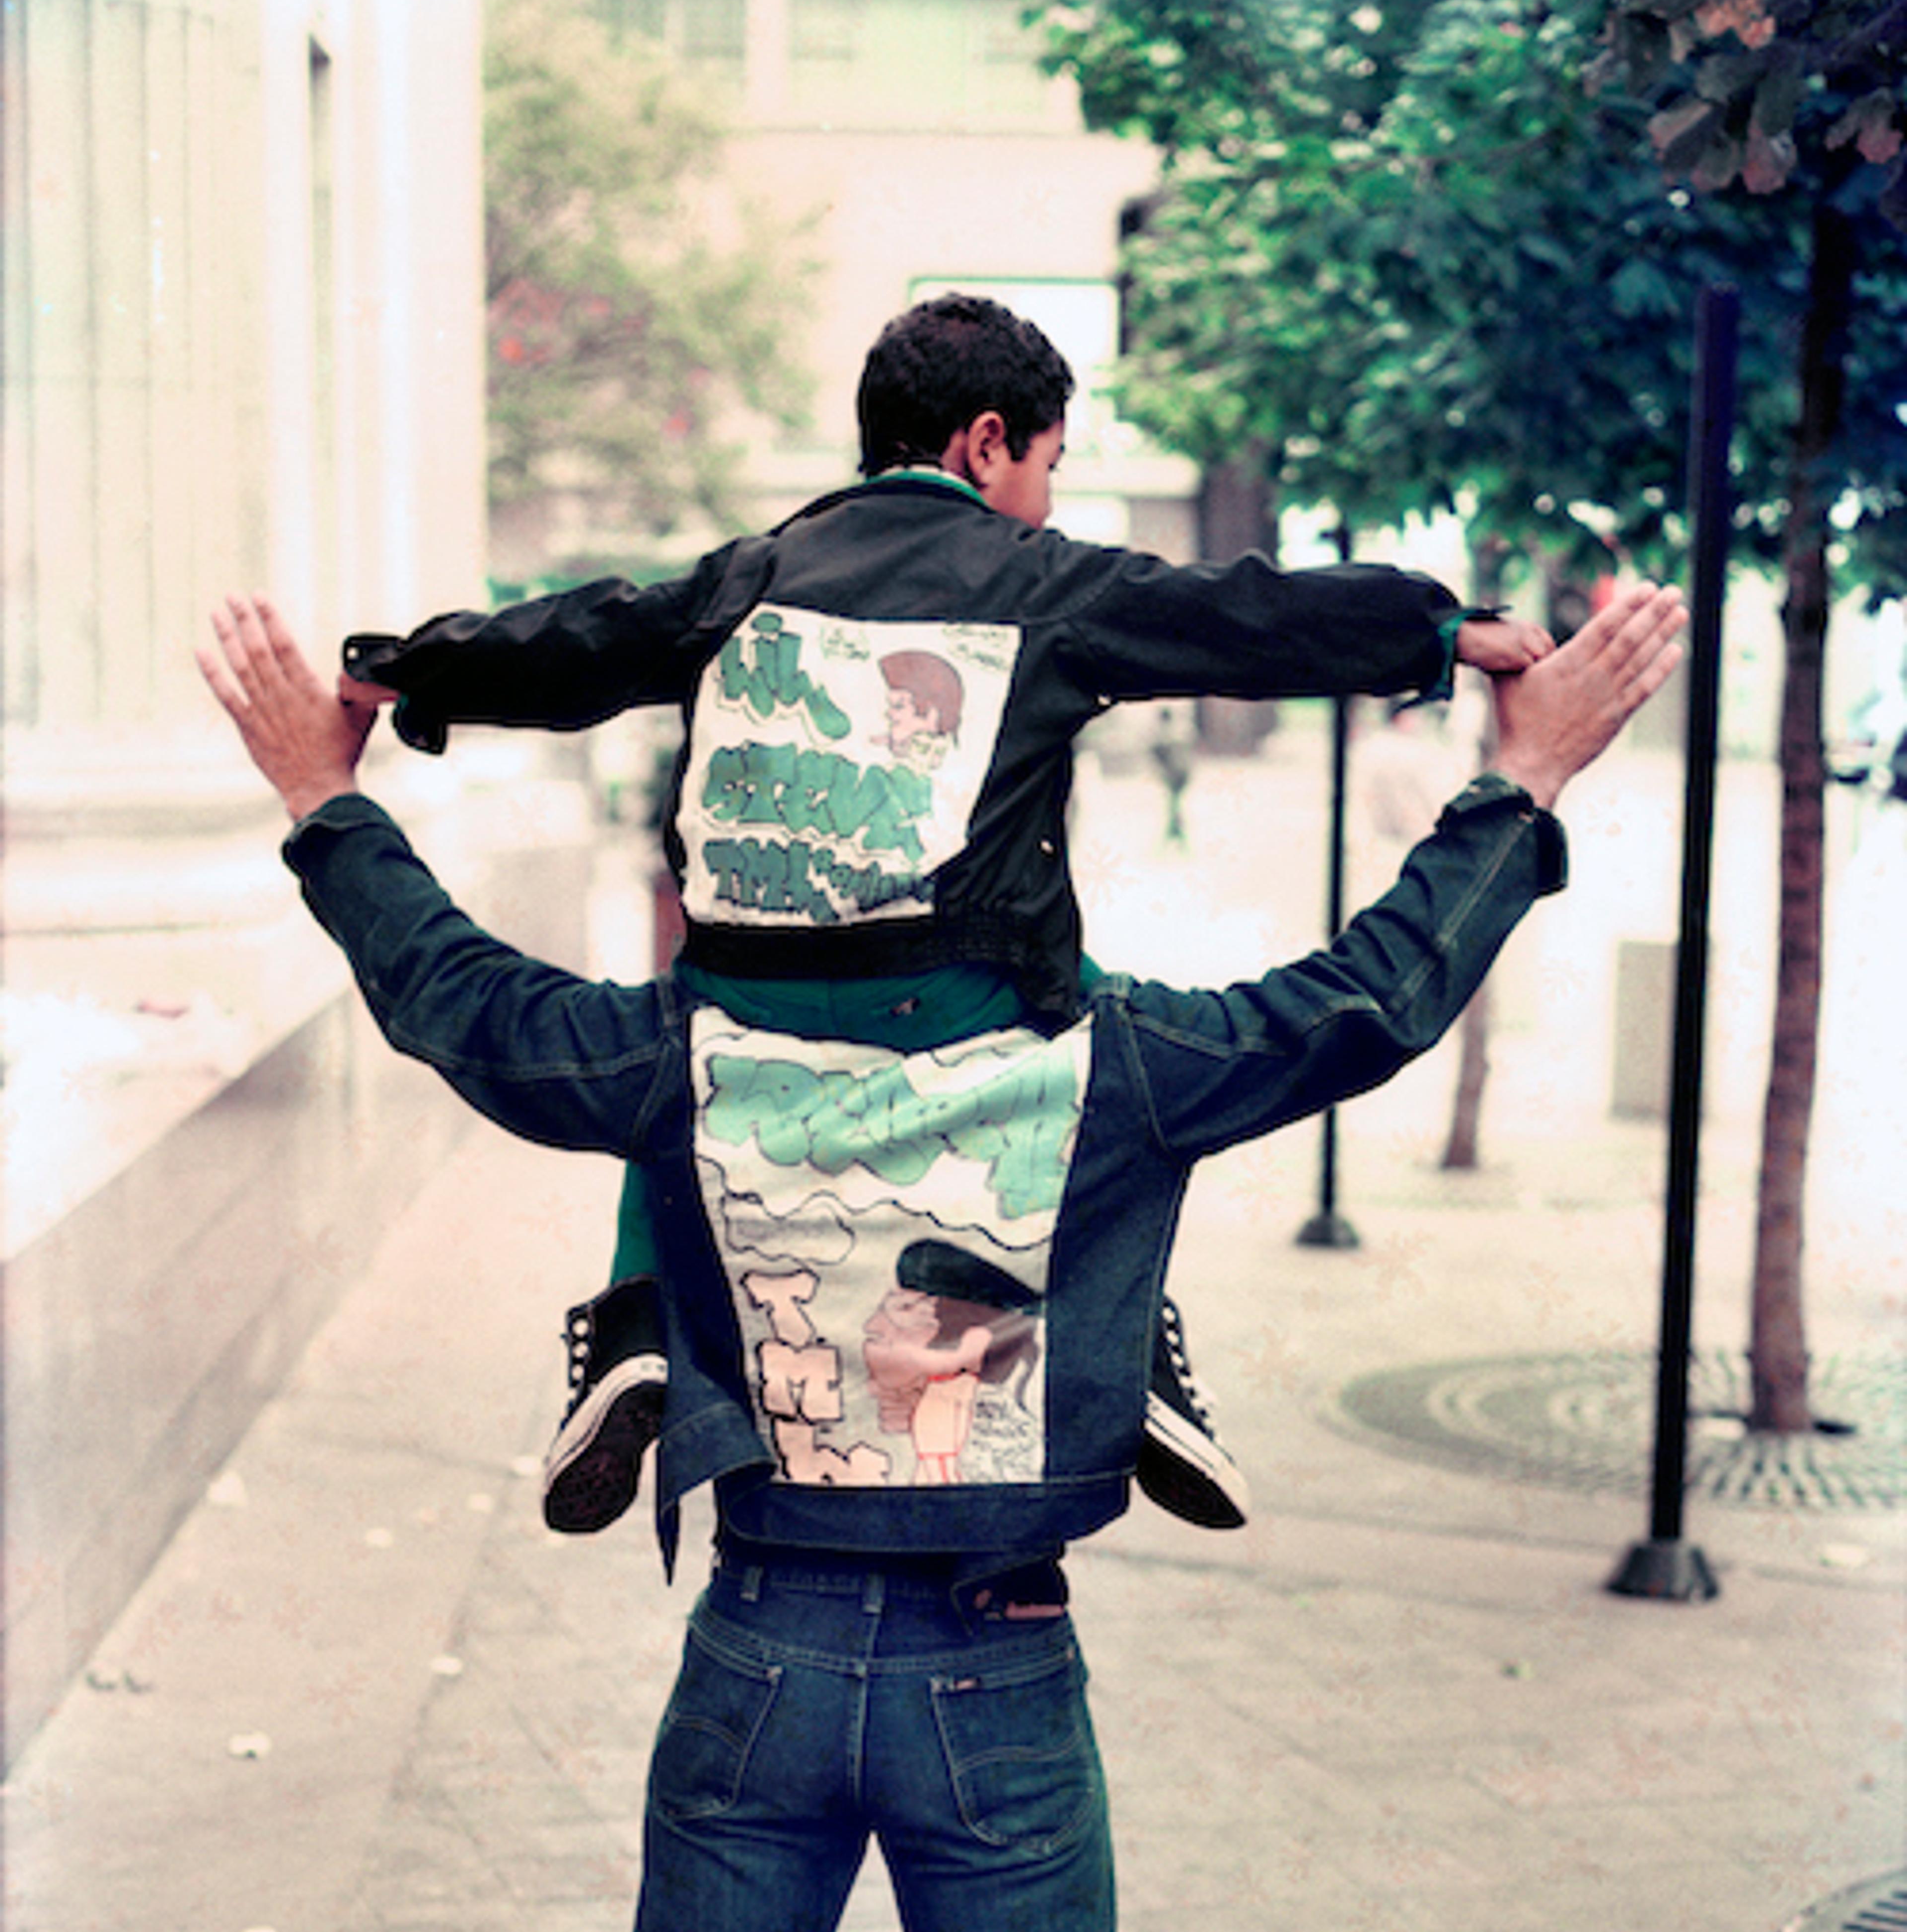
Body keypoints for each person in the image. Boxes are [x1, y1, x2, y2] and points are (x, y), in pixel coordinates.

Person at [198, 575, 1686, 1932]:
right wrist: (1515, 792)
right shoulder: (1120, 1064)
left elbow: (463, 1003)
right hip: (1000, 1658)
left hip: (761, 1649)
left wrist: (323, 801)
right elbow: (1373, 998)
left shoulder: (696, 1063)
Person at [340, 293, 1552, 1542]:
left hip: (747, 990)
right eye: (1049, 464)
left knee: (683, 1059)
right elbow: (1242, 618)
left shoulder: (739, 584)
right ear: (985, 443)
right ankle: (1130, 1346)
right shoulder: (1045, 584)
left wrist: (410, 672)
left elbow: (579, 638)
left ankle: (636, 1318)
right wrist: (1441, 629)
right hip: (954, 992)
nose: (1049, 497)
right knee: (1104, 1064)